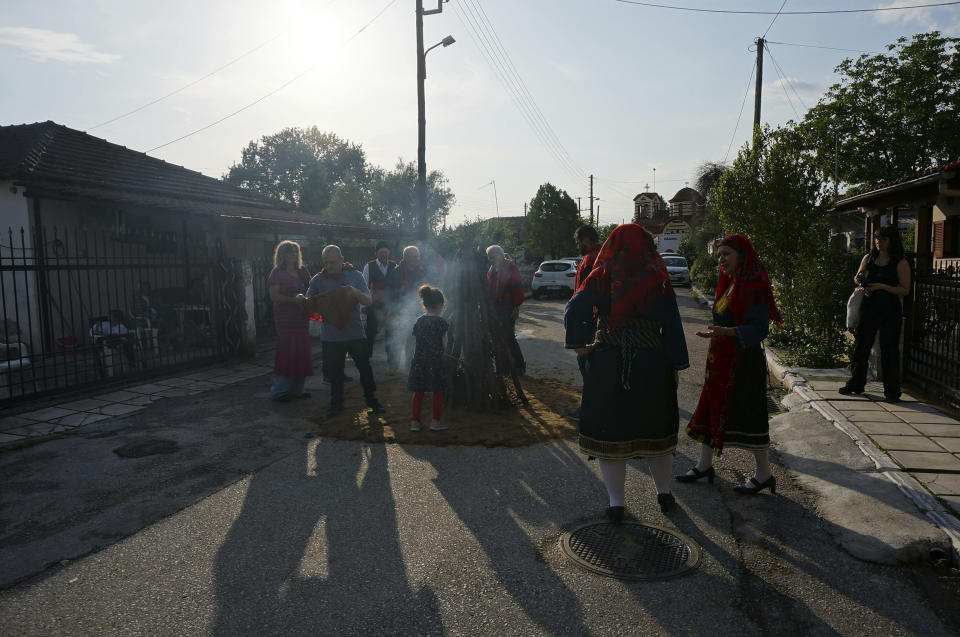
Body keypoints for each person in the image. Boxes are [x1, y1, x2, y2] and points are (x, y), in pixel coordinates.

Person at [564, 224, 689, 520]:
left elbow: (574, 308)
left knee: (611, 435)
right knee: (656, 429)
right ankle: (665, 494)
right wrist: (675, 364)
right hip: (652, 363)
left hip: (608, 363)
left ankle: (616, 504)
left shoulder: (603, 274)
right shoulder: (657, 275)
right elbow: (671, 323)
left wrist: (580, 343)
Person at [679, 234, 782, 495]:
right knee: (710, 408)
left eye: (727, 254)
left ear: (741, 255)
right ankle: (703, 465)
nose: (722, 260)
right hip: (721, 359)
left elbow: (759, 329)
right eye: (719, 255)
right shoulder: (730, 283)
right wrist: (719, 334)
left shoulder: (755, 285)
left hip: (744, 363)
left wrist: (727, 333)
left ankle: (764, 474)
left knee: (751, 416)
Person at [308, 245, 385, 418]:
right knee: (335, 373)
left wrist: (354, 292)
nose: (329, 266)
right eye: (326, 263)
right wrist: (301, 300)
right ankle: (336, 405)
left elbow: (368, 301)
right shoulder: (318, 280)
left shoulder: (355, 276)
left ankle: (372, 400)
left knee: (365, 369)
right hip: (331, 335)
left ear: (342, 259)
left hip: (355, 333)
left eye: (333, 262)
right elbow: (309, 304)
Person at [840, 224, 911, 402]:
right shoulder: (869, 257)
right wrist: (859, 279)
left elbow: (905, 289)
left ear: (892, 241)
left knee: (890, 351)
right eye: (877, 238)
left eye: (883, 239)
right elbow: (857, 275)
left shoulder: (900, 262)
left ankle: (892, 392)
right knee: (861, 347)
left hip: (890, 310)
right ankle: (856, 384)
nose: (879, 242)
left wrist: (882, 286)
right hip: (869, 306)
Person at [267, 240, 312, 402]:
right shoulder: (277, 272)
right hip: (286, 318)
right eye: (288, 252)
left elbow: (312, 288)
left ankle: (298, 391)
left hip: (301, 317)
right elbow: (274, 296)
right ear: (282, 254)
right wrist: (295, 300)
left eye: (294, 251)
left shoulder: (302, 271)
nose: (292, 255)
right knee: (287, 351)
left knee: (301, 350)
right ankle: (280, 391)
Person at [568, 224, 602, 421]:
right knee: (596, 365)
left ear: (586, 240)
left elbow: (585, 294)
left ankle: (590, 409)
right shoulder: (604, 255)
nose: (577, 245)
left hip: (588, 321)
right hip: (599, 319)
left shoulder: (590, 260)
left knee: (587, 364)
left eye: (577, 242)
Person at [408, 284, 450, 432]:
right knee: (438, 391)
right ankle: (436, 422)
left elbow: (417, 340)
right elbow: (444, 343)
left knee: (418, 392)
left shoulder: (419, 321)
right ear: (439, 305)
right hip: (436, 362)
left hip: (419, 361)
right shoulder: (441, 323)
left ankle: (415, 422)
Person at [386, 245, 428, 371]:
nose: (417, 259)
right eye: (414, 256)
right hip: (398, 311)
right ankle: (393, 365)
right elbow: (390, 293)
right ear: (405, 257)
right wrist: (391, 310)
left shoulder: (420, 270)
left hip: (416, 310)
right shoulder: (396, 272)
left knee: (412, 339)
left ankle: (410, 364)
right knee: (397, 339)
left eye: (418, 256)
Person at [486, 244, 526, 375]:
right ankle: (504, 367)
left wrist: (516, 306)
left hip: (508, 307)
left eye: (493, 256)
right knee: (497, 338)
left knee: (508, 337)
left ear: (500, 254)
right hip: (496, 308)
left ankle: (519, 366)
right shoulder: (492, 270)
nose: (491, 259)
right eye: (489, 257)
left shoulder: (510, 267)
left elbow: (518, 288)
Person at [362, 242, 398, 369]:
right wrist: (365, 304)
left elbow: (397, 286)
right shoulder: (369, 266)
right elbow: (364, 285)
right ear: (376, 254)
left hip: (390, 305)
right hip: (374, 304)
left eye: (386, 252)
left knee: (391, 332)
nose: (384, 255)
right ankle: (365, 358)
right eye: (381, 252)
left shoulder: (394, 266)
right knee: (370, 331)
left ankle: (392, 359)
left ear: (389, 253)